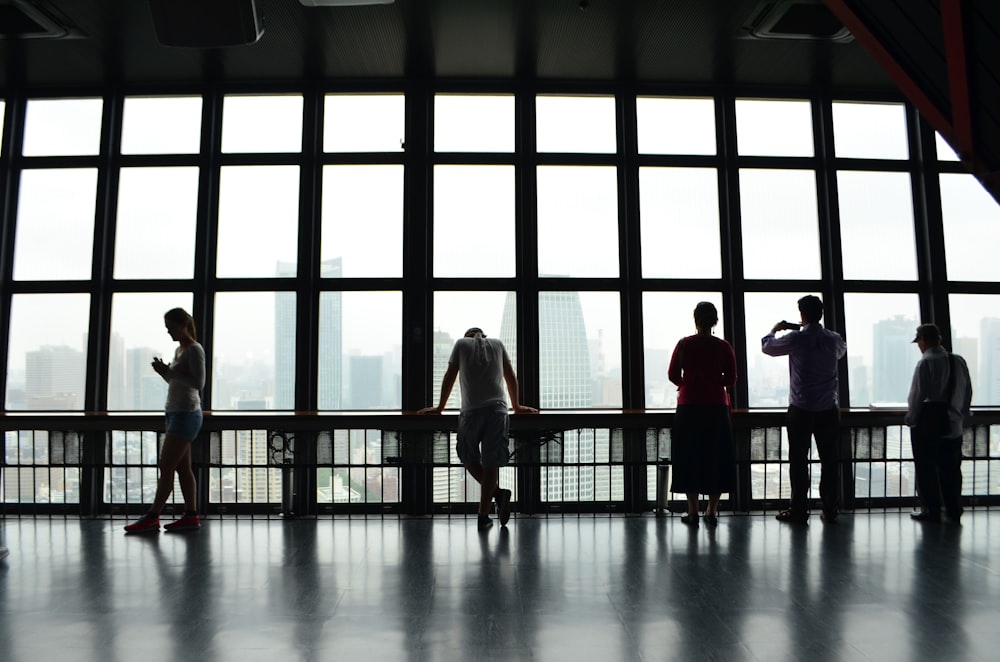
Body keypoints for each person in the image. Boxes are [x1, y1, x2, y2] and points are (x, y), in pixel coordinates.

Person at [419, 327, 537, 531]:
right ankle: (483, 516)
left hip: (471, 411)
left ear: (468, 336)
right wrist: (516, 406)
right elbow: (510, 376)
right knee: (492, 463)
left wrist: (440, 408)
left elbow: (449, 376)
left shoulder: (461, 344)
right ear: (483, 334)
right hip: (498, 411)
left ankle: (498, 495)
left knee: (467, 456)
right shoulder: (498, 344)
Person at [762, 295, 847, 524]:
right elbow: (840, 353)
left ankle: (799, 510)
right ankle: (830, 509)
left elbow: (768, 347)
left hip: (801, 408)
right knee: (829, 460)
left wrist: (775, 329)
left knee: (798, 461)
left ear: (801, 315)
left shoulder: (796, 339)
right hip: (828, 409)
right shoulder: (834, 339)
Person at [124, 308, 206, 534]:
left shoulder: (194, 349)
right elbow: (175, 381)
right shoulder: (179, 350)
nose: (168, 332)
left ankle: (152, 516)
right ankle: (191, 515)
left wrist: (170, 371)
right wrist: (164, 371)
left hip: (186, 414)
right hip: (175, 412)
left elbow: (198, 383)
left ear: (182, 325)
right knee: (182, 468)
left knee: (166, 465)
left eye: (171, 327)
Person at [668, 302, 737, 526]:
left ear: (695, 319)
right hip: (717, 407)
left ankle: (692, 511)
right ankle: (712, 510)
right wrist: (715, 383)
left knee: (689, 456)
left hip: (689, 407)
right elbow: (731, 380)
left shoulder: (684, 344)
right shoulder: (724, 346)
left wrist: (686, 383)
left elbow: (672, 374)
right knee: (716, 456)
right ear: (715, 321)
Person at [905, 323, 972, 523]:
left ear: (923, 340)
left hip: (928, 424)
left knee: (926, 468)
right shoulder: (958, 361)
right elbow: (967, 391)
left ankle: (931, 510)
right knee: (952, 469)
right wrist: (961, 415)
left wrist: (912, 419)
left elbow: (917, 395)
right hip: (954, 422)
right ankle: (953, 509)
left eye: (919, 342)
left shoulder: (925, 363)